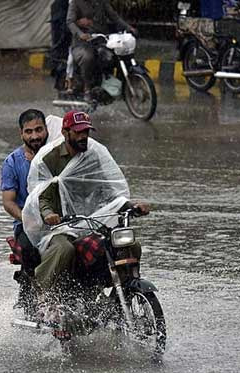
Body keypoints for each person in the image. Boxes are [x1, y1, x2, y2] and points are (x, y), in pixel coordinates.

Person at [21, 110, 150, 314]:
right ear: (65, 132)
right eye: (78, 132)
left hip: (90, 221)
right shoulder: (49, 158)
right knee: (64, 249)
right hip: (58, 226)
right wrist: (48, 214)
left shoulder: (94, 154)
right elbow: (41, 195)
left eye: (86, 132)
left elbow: (107, 188)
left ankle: (124, 289)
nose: (83, 137)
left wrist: (129, 204)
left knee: (128, 244)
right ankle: (43, 295)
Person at [0, 109, 50, 314]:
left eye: (39, 130)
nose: (35, 136)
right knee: (30, 248)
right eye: (29, 131)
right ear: (21, 134)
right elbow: (8, 202)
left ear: (47, 130)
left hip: (59, 221)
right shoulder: (12, 162)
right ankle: (37, 292)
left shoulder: (55, 155)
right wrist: (29, 219)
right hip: (26, 226)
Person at [66, 0, 137, 102]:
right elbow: (70, 22)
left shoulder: (102, 2)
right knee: (88, 57)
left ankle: (117, 85)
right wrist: (81, 34)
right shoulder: (76, 2)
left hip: (101, 40)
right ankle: (87, 89)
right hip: (81, 43)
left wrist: (129, 27)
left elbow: (114, 17)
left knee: (118, 54)